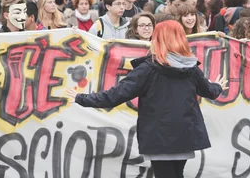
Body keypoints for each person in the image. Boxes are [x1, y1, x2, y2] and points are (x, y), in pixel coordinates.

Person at [66, 20, 227, 178]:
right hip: (185, 133)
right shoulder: (191, 68)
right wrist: (218, 86)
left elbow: (116, 95)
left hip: (158, 137)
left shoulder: (148, 69)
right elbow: (210, 91)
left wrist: (82, 98)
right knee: (178, 174)